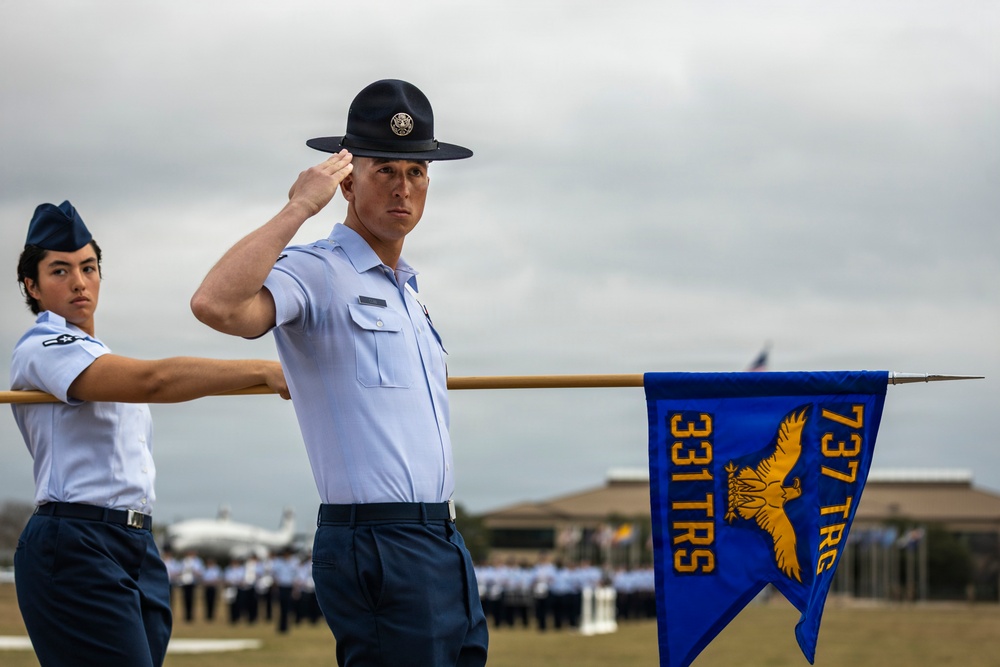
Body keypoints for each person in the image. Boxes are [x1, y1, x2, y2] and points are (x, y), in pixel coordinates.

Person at [191, 78, 488, 666]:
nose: (404, 188)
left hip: (440, 538)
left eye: (417, 173)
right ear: (348, 181)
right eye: (386, 172)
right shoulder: (317, 271)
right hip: (377, 539)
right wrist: (299, 207)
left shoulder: (411, 291)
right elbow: (216, 306)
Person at [11, 200, 289, 667]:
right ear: (31, 286)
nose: (80, 282)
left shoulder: (96, 352)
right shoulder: (43, 346)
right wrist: (263, 367)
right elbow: (153, 382)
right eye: (60, 271)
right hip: (76, 538)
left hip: (135, 540)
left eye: (89, 267)